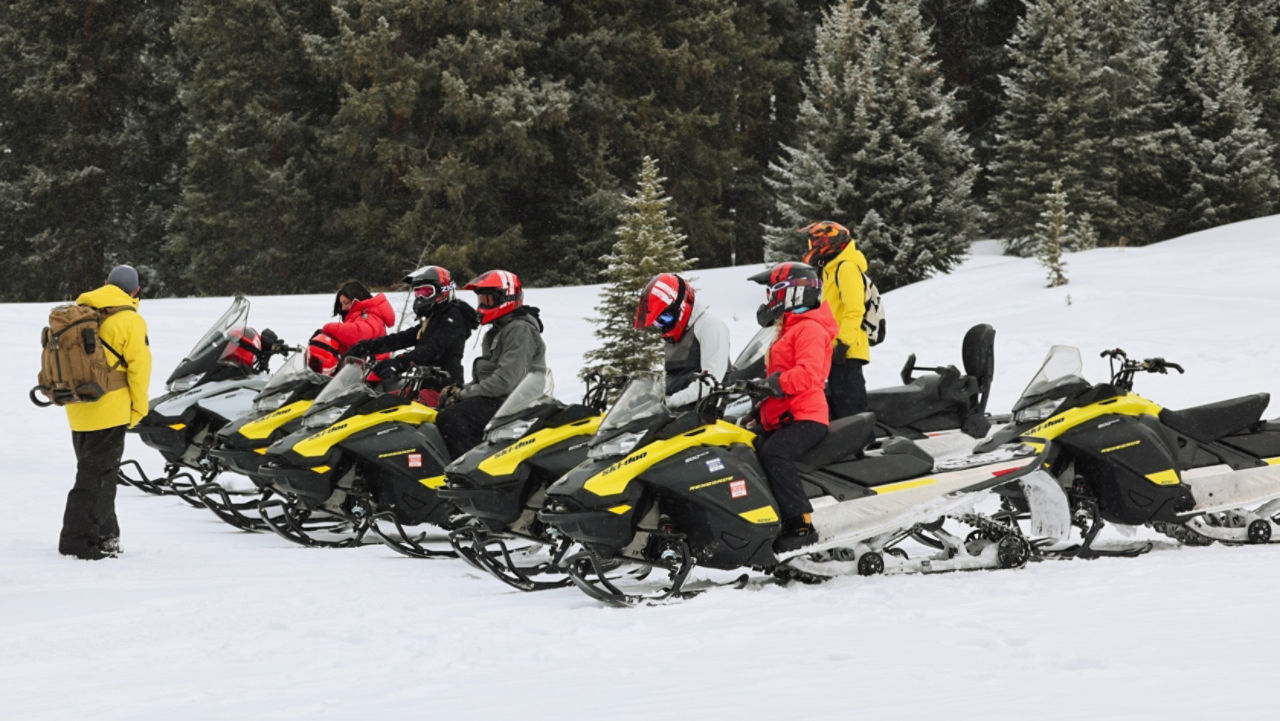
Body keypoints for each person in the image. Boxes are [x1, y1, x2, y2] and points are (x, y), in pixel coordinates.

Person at [60, 264, 152, 560]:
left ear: (105, 283)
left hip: (77, 406)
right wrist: (138, 408)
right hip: (110, 409)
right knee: (97, 478)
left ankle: (107, 535)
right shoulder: (130, 320)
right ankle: (78, 541)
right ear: (136, 291)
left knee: (97, 474)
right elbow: (140, 370)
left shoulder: (80, 311)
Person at [746, 261, 837, 554]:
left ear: (793, 292)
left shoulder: (809, 328)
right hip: (783, 415)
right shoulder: (787, 328)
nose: (770, 299)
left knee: (775, 454)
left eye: (774, 291)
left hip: (806, 417)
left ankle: (801, 523)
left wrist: (775, 383)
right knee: (744, 446)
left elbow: (810, 374)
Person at [434, 269, 546, 458]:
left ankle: (469, 473)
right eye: (481, 301)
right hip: (501, 400)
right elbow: (487, 378)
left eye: (488, 300)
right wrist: (459, 390)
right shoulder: (497, 331)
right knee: (437, 413)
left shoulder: (519, 330)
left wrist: (463, 394)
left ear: (507, 298)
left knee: (452, 419)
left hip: (514, 403)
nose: (482, 306)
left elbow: (505, 381)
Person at [345, 266, 478, 404]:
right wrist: (367, 346)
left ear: (443, 291)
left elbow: (432, 349)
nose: (420, 298)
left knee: (389, 410)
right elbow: (403, 338)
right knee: (373, 404)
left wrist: (400, 362)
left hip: (442, 390)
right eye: (417, 293)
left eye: (426, 292)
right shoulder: (434, 318)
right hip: (424, 385)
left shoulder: (453, 317)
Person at [801, 220, 870, 419]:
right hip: (833, 348)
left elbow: (855, 310)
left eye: (817, 241)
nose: (813, 246)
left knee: (851, 409)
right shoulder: (831, 269)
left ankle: (862, 446)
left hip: (846, 350)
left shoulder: (846, 268)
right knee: (839, 405)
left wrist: (843, 343)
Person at [634, 273, 730, 409]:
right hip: (679, 413)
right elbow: (674, 379)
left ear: (681, 306)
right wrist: (650, 395)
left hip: (709, 412)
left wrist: (670, 402)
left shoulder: (710, 326)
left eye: (664, 318)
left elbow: (710, 382)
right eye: (657, 323)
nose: (662, 326)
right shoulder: (676, 333)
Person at [318, 279, 395, 355]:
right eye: (341, 304)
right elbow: (351, 346)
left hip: (373, 365)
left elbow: (358, 334)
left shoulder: (371, 315)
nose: (343, 308)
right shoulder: (361, 315)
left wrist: (328, 328)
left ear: (357, 299)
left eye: (346, 303)